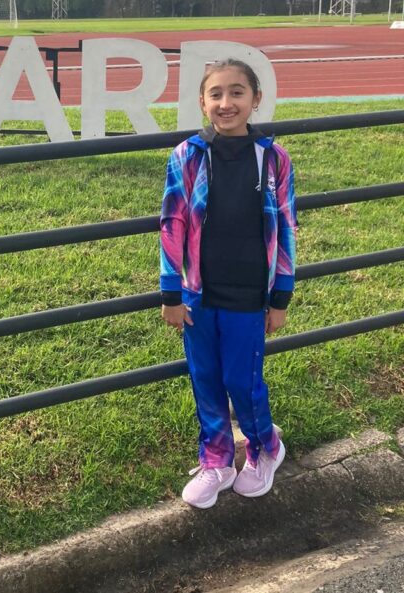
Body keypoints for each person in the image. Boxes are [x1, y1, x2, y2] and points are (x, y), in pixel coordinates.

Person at [159, 58, 297, 509]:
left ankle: (265, 447)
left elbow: (287, 229)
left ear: (256, 99)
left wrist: (280, 296)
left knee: (244, 380)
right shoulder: (186, 156)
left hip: (248, 296)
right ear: (202, 102)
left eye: (237, 92)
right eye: (215, 94)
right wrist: (171, 293)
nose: (226, 102)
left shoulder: (274, 160)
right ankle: (216, 458)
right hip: (199, 294)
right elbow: (172, 223)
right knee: (206, 379)